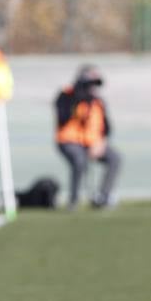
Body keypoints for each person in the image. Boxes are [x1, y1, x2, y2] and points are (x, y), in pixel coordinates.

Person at [55, 64, 120, 209]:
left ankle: (103, 196)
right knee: (79, 161)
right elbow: (62, 118)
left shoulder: (98, 102)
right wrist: (78, 102)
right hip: (69, 141)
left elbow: (106, 128)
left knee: (115, 158)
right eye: (90, 84)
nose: (92, 88)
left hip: (93, 143)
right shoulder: (66, 95)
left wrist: (100, 143)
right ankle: (73, 200)